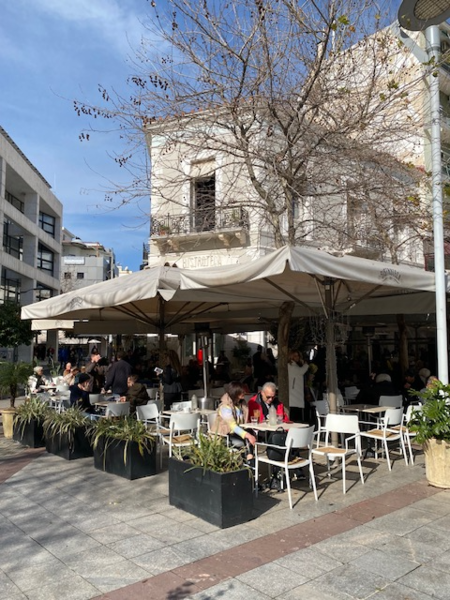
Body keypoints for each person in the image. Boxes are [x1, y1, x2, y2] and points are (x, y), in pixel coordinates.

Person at [214, 381, 256, 457]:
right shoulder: (225, 407)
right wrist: (248, 435)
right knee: (245, 440)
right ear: (235, 393)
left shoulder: (241, 404)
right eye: (241, 391)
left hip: (237, 432)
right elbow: (232, 426)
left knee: (250, 433)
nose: (244, 392)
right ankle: (250, 458)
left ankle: (249, 458)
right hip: (225, 435)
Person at [287, 350, 309, 422]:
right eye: (295, 356)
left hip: (295, 391)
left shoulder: (294, 365)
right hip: (294, 392)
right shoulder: (291, 366)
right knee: (295, 410)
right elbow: (301, 371)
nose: (297, 357)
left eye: (298, 356)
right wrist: (306, 365)